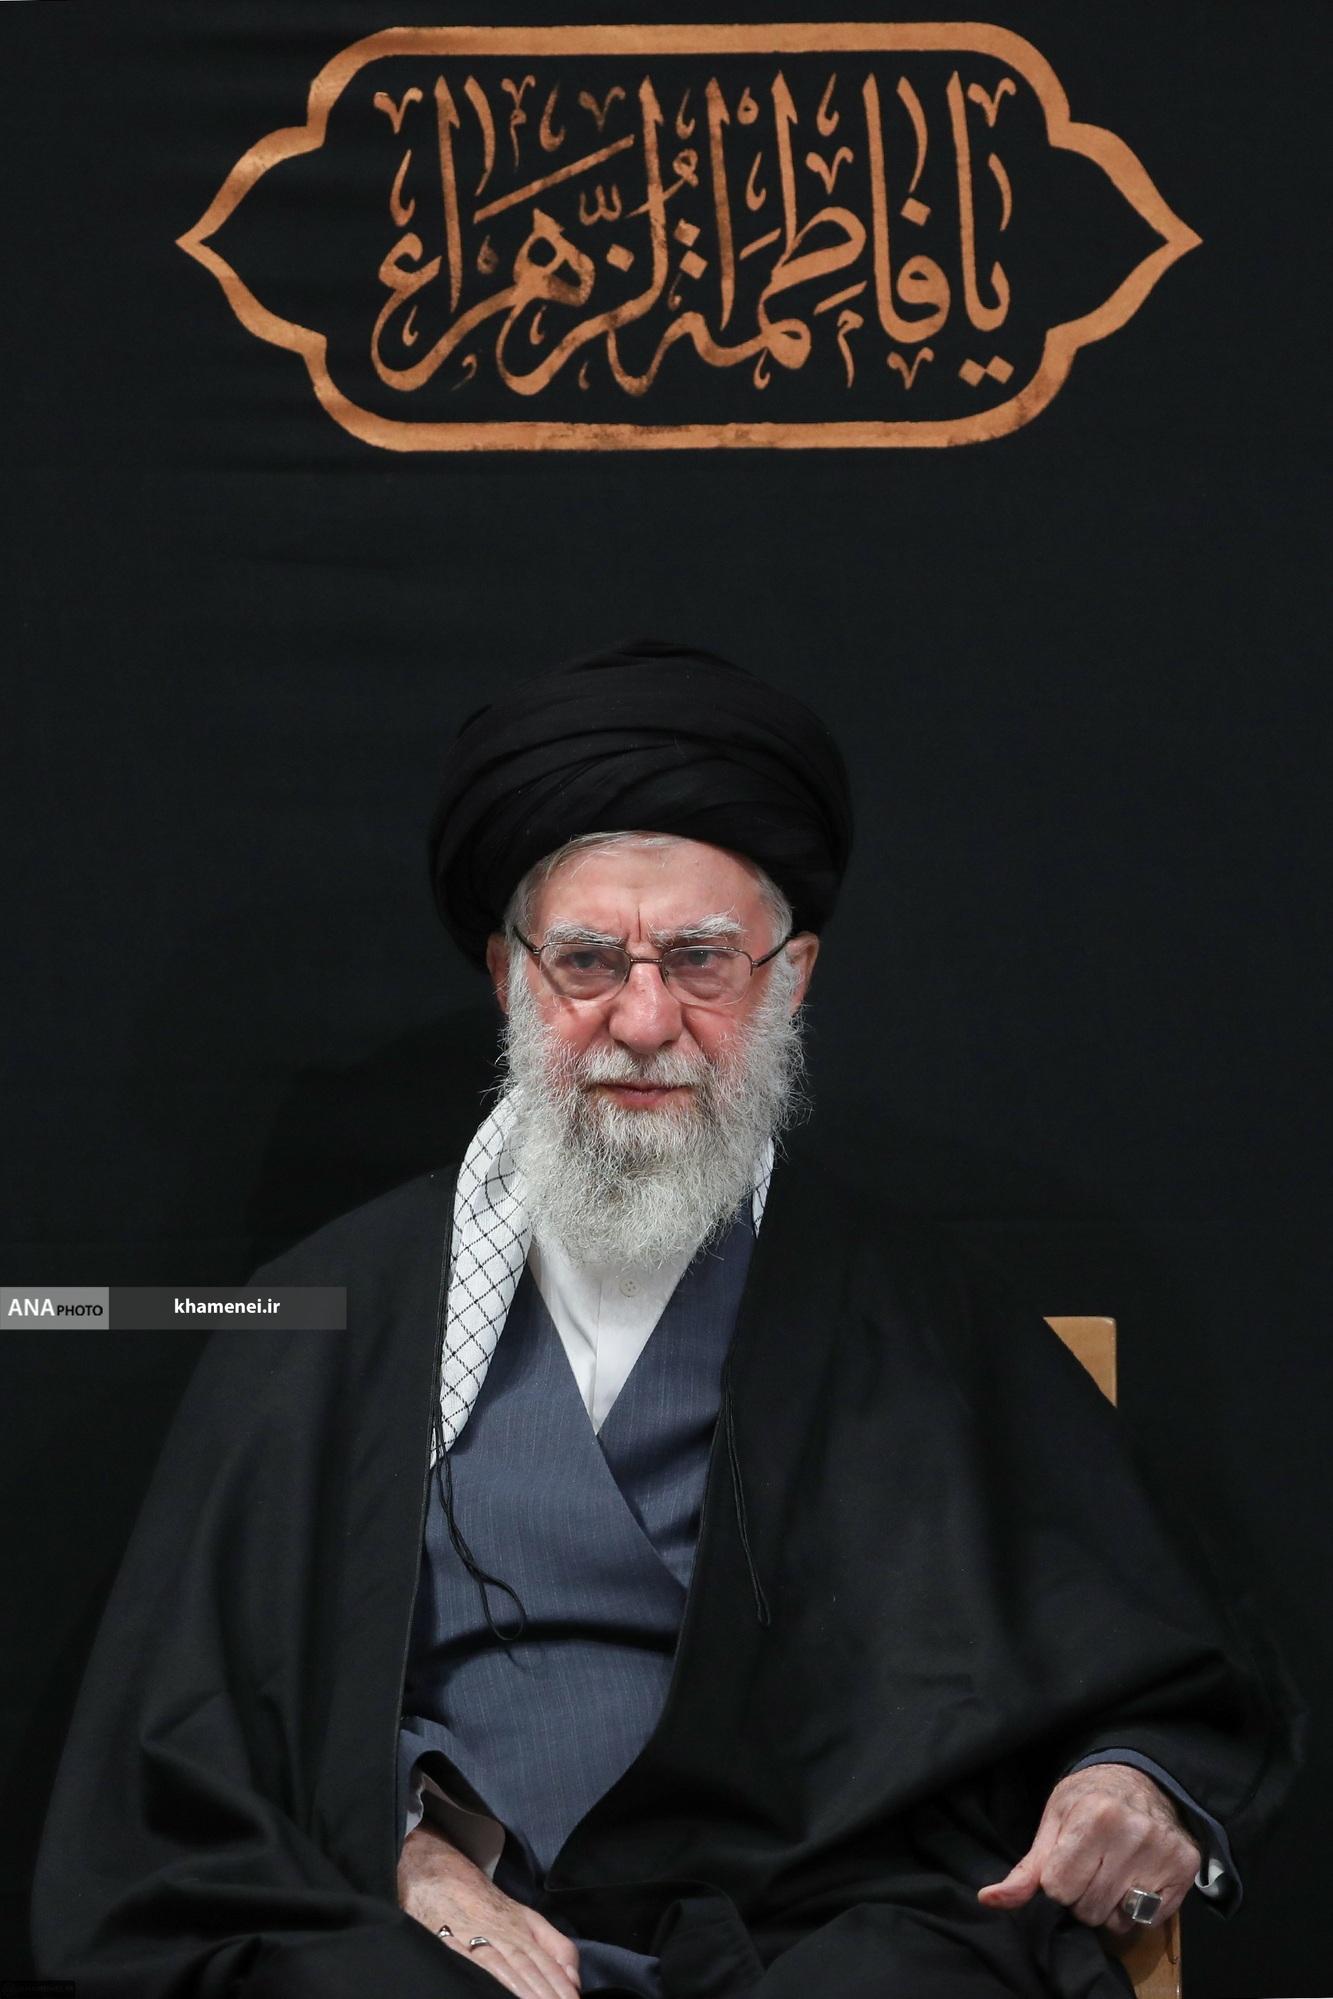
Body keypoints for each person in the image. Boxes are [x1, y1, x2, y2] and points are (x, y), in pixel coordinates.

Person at [31, 640, 1300, 1999]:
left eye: (701, 961)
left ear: (790, 978)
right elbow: (199, 1730)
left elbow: (1150, 1668)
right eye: (587, 961)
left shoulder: (914, 1309)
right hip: (447, 1925)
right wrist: (410, 1852)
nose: (643, 1020)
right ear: (510, 977)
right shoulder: (336, 1305)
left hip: (812, 1922)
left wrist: (1128, 1781)